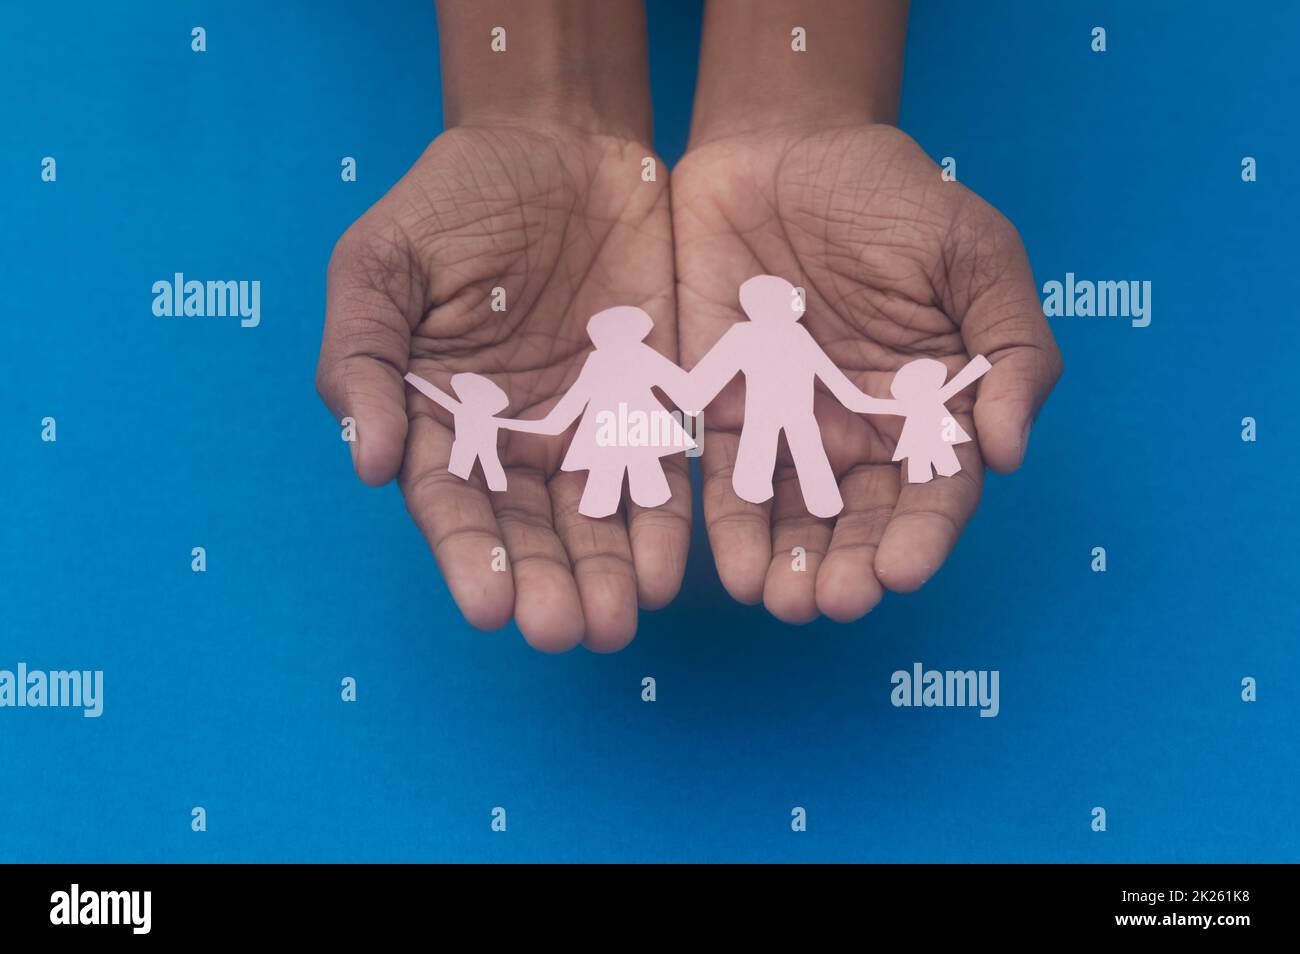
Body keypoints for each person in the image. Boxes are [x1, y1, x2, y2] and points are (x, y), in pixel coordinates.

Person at [315, 0, 1063, 650]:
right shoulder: (683, 350)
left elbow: (754, 381)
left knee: (775, 446)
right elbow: (686, 384)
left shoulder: (765, 338)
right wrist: (529, 108)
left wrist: (799, 100)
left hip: (778, 408)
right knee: (685, 458)